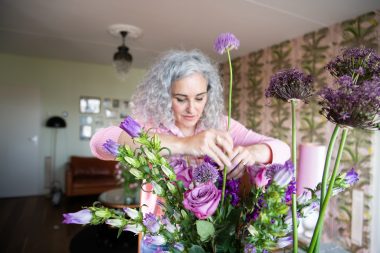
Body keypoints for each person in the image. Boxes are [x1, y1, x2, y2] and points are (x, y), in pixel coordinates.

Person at [90, 49, 290, 252]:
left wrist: (252, 153)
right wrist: (186, 144)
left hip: (211, 237)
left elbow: (283, 149)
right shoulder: (152, 125)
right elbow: (99, 142)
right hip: (161, 235)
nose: (192, 109)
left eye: (199, 98)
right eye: (181, 98)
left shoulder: (221, 125)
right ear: (165, 95)